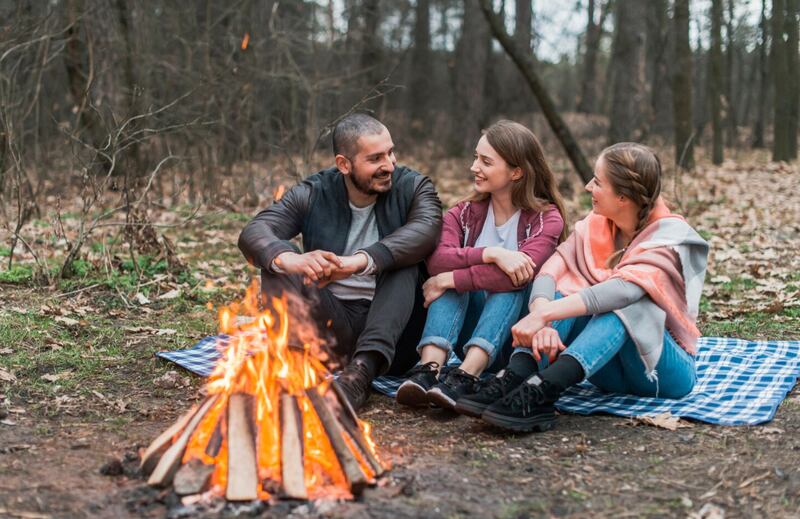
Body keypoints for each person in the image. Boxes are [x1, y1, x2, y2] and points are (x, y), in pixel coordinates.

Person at [456, 142, 708, 432]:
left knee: (628, 304)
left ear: (623, 197)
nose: (589, 186)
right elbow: (551, 270)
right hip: (605, 371)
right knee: (564, 291)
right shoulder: (596, 224)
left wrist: (544, 315)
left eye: (598, 183)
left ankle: (544, 389)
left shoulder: (671, 238)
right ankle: (515, 377)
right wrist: (544, 317)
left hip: (663, 374)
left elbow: (623, 291)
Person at [238, 113, 442, 411]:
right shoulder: (314, 192)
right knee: (278, 262)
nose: (389, 165)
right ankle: (295, 364)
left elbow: (427, 230)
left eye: (390, 152)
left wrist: (360, 261)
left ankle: (361, 373)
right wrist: (291, 259)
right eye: (375, 158)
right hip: (331, 327)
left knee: (404, 262)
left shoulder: (413, 186)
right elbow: (255, 232)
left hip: (394, 336)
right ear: (344, 164)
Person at [396, 120, 567, 410]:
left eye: (486, 161)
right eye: (476, 157)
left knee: (505, 282)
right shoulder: (462, 214)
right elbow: (437, 260)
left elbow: (519, 278)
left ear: (516, 172)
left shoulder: (546, 218)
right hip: (465, 333)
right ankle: (428, 371)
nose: (474, 167)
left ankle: (466, 376)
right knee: (451, 284)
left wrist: (450, 278)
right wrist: (491, 253)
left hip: (515, 343)